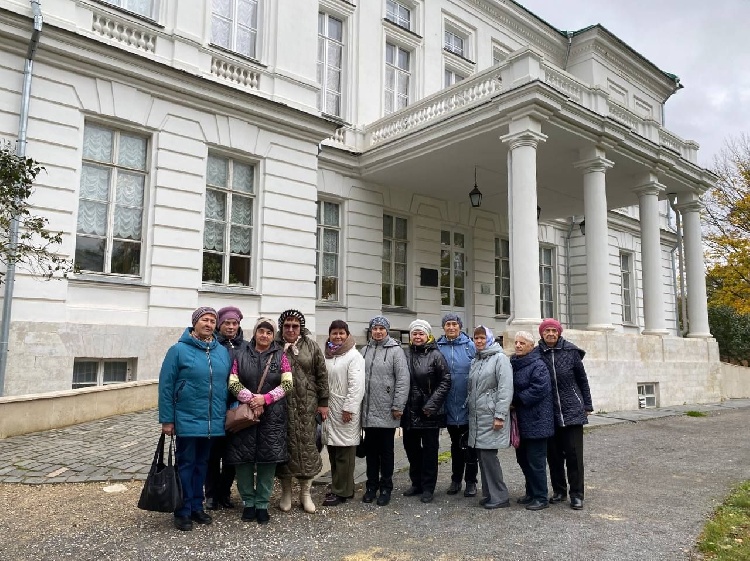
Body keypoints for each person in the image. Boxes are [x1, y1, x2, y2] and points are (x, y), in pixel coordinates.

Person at [158, 307, 231, 532]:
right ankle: (182, 510)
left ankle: (197, 506)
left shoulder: (221, 352)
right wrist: (167, 420)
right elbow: (166, 386)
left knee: (203, 465)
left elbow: (226, 385)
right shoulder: (178, 350)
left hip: (212, 420)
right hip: (187, 418)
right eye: (204, 320)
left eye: (212, 321)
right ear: (195, 323)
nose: (208, 324)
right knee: (186, 465)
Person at [225, 317, 293, 524]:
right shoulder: (240, 354)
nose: (264, 335)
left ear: (273, 336)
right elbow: (232, 381)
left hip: (272, 416)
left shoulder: (281, 356)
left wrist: (266, 399)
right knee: (243, 459)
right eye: (261, 331)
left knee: (267, 460)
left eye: (269, 332)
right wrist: (252, 400)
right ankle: (248, 502)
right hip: (246, 414)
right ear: (254, 333)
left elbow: (288, 383)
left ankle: (262, 503)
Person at [275, 309, 329, 513]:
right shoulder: (275, 346)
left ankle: (305, 493)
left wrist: (323, 401)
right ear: (282, 327)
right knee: (285, 447)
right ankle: (286, 492)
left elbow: (321, 374)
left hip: (307, 404)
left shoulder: (311, 346)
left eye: (295, 326)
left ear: (301, 328)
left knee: (307, 447)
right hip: (282, 405)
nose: (291, 329)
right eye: (287, 325)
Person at [537, 318, 594, 510]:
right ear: (542, 333)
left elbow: (582, 379)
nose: (551, 334)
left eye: (554, 330)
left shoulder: (571, 352)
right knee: (553, 455)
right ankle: (559, 490)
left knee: (574, 455)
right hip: (549, 411)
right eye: (547, 331)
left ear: (559, 332)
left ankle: (577, 494)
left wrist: (587, 404)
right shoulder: (537, 354)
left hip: (572, 410)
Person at [360, 315, 409, 507]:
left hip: (387, 410)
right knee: (371, 452)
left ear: (387, 330)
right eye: (375, 328)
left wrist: (398, 405)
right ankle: (371, 485)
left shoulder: (396, 352)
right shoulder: (365, 351)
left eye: (381, 328)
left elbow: (403, 380)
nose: (378, 331)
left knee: (386, 451)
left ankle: (386, 486)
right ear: (371, 331)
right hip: (368, 410)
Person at [401, 319, 451, 504]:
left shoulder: (436, 355)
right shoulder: (404, 354)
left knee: (430, 451)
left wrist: (431, 406)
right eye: (415, 333)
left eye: (421, 333)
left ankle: (428, 487)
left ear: (427, 335)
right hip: (409, 411)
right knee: (411, 449)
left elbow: (445, 381)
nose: (417, 336)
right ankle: (416, 483)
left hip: (429, 412)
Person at [467, 325, 513, 509]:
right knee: (483, 456)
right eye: (475, 338)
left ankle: (500, 496)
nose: (478, 341)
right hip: (478, 416)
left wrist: (500, 415)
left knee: (489, 456)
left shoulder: (500, 358)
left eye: (482, 338)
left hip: (491, 415)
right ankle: (490, 494)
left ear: (490, 339)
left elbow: (505, 388)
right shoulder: (476, 360)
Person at [321, 320, 366, 506]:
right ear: (329, 335)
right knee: (333, 449)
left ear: (347, 335)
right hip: (330, 409)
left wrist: (349, 408)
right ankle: (338, 485)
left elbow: (356, 386)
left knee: (345, 452)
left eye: (341, 333)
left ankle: (343, 491)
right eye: (334, 333)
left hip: (344, 410)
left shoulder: (354, 356)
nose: (338, 336)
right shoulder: (329, 355)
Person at [510, 330, 554, 511]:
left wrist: (517, 400)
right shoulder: (514, 363)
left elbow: (539, 388)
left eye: (522, 343)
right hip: (520, 421)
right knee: (523, 459)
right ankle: (530, 492)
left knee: (536, 462)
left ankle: (541, 496)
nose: (518, 346)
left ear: (531, 346)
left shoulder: (538, 365)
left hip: (537, 420)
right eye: (516, 343)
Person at [204, 305, 243, 510]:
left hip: (237, 407)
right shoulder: (212, 345)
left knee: (232, 455)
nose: (230, 327)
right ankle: (210, 494)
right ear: (220, 325)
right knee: (212, 454)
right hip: (216, 406)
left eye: (234, 323)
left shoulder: (245, 346)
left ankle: (225, 492)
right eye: (227, 323)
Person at [436, 313, 477, 497]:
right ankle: (455, 479)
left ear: (460, 327)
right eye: (448, 324)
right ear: (443, 327)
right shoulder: (438, 347)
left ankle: (471, 481)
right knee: (455, 444)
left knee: (470, 445)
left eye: (454, 324)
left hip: (467, 403)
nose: (451, 327)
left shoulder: (470, 346)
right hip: (448, 405)